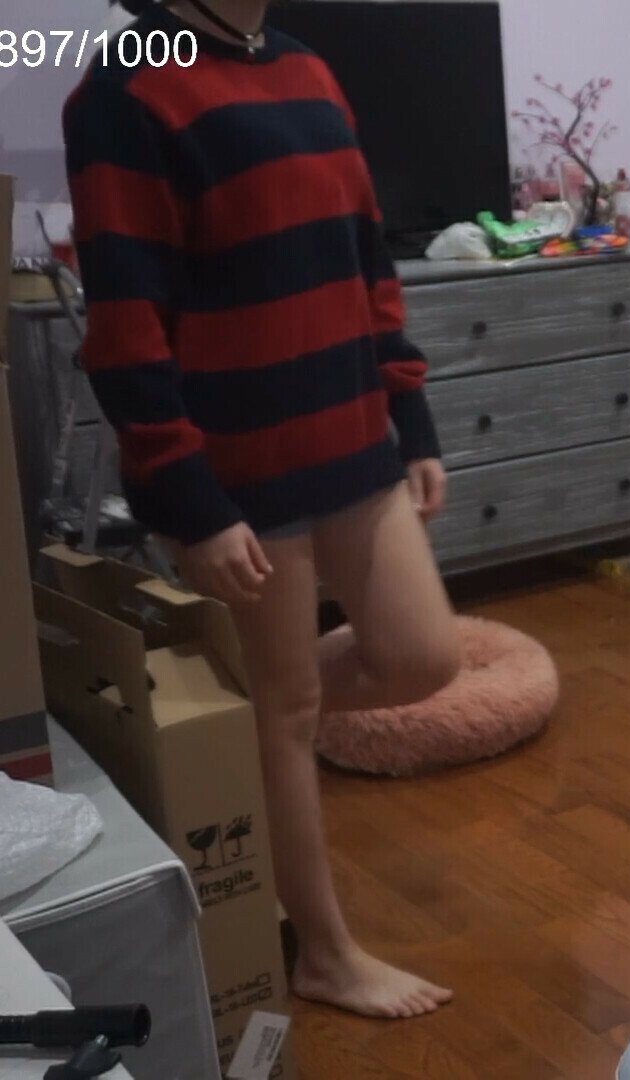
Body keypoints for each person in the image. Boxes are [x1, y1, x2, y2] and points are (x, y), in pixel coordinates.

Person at [63, 0, 461, 1019]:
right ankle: (325, 953)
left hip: (354, 440)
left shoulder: (308, 70)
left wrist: (411, 416)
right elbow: (126, 325)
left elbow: (366, 257)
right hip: (236, 474)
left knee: (423, 658)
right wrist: (190, 502)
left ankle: (239, 730)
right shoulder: (126, 87)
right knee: (284, 713)